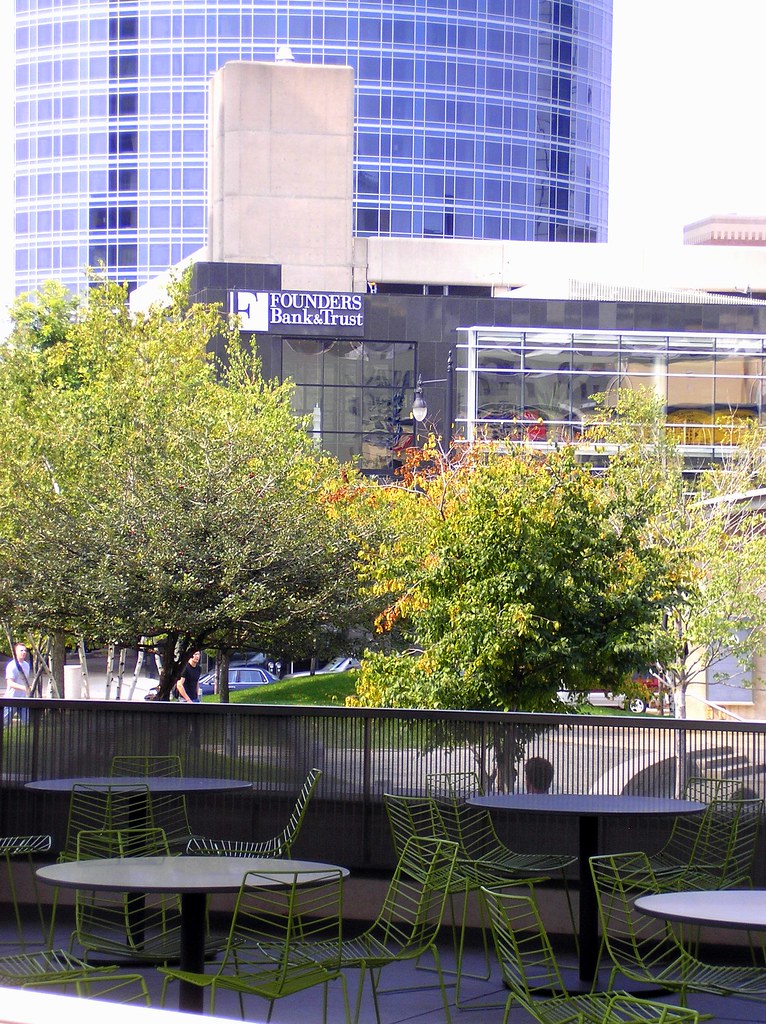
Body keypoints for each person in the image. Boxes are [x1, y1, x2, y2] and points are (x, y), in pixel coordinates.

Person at [4, 643, 31, 725]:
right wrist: (25, 688)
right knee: (4, 723)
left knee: (26, 723)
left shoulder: (26, 665)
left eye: (25, 650)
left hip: (23, 699)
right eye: (21, 650)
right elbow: (10, 683)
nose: (24, 652)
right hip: (11, 699)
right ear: (15, 652)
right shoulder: (12, 665)